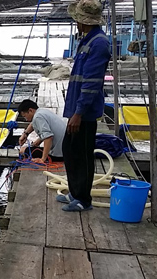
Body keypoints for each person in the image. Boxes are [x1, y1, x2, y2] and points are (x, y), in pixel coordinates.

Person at [58, 0, 111, 212]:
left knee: (83, 152)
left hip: (85, 112)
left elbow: (91, 83)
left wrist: (79, 112)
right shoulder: (87, 40)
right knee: (70, 150)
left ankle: (83, 199)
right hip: (76, 108)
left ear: (83, 21)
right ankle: (75, 191)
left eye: (77, 20)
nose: (76, 24)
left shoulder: (99, 43)